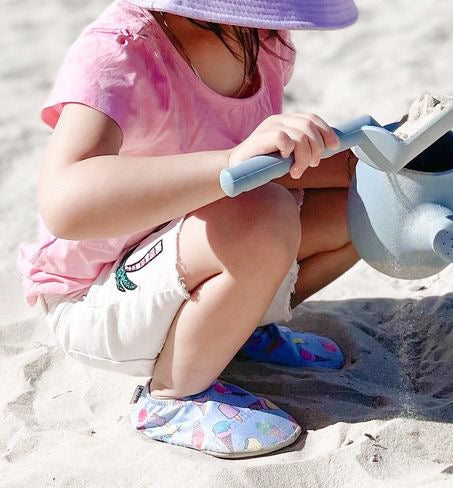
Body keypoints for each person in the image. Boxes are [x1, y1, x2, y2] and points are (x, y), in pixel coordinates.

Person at [16, 0, 361, 458]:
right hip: (96, 295)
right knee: (262, 215)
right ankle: (172, 397)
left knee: (363, 200)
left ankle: (233, 331)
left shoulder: (261, 38)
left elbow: (248, 166)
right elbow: (66, 204)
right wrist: (230, 162)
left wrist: (363, 161)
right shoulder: (122, 50)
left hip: (181, 252)